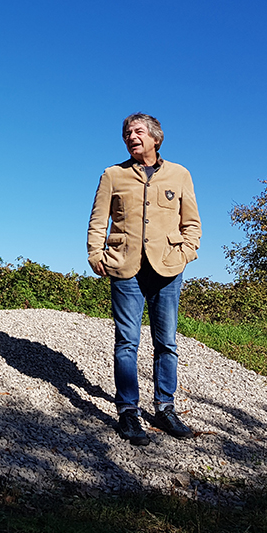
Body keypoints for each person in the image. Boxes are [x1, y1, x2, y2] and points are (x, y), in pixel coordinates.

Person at [87, 113, 201, 445]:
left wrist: (186, 252)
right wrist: (95, 253)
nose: (131, 136)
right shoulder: (112, 175)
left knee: (166, 342)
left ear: (155, 137)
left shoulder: (180, 174)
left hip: (168, 268)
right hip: (125, 266)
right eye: (127, 133)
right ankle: (127, 411)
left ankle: (165, 408)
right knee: (127, 342)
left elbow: (192, 223)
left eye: (137, 131)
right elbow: (98, 219)